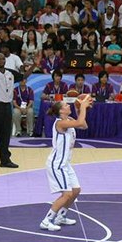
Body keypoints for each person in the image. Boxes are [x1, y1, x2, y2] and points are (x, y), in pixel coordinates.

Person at [39, 95, 92, 231]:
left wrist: (80, 109)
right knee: (67, 194)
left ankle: (61, 216)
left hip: (66, 164)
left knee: (75, 191)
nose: (69, 106)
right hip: (57, 164)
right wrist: (84, 106)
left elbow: (84, 125)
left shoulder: (69, 120)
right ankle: (46, 220)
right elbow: (80, 123)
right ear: (61, 111)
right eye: (65, 105)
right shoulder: (60, 123)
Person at [0, 54, 33, 170]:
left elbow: (24, 76)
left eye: (3, 59)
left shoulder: (11, 73)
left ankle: (5, 160)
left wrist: (35, 66)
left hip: (7, 107)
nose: (1, 60)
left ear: (5, 60)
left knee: (5, 135)